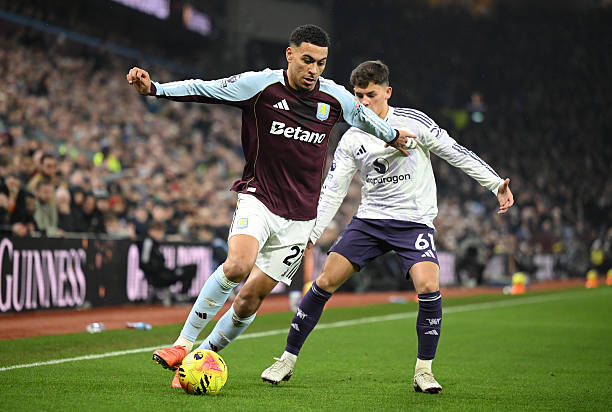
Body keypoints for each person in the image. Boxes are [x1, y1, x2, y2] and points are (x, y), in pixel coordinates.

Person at [126, 24, 417, 386]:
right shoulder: (260, 86)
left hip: (300, 217)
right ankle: (182, 344)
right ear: (290, 54)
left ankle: (202, 358)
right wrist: (155, 89)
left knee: (249, 299)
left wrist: (393, 135)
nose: (313, 70)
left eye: (321, 63)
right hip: (259, 198)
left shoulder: (334, 97)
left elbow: (365, 117)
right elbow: (207, 88)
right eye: (307, 60)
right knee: (238, 266)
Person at [260, 60, 514, 393]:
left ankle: (424, 371)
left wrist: (494, 184)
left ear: (387, 92)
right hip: (370, 222)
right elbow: (333, 189)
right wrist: (313, 232)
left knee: (428, 285)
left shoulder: (414, 122)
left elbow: (455, 152)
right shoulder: (352, 137)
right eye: (358, 95)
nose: (363, 102)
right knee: (324, 281)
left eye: (371, 95)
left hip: (412, 223)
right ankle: (286, 359)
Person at [139, 221, 196, 306]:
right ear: (152, 231)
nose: (162, 235)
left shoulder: (154, 243)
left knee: (191, 268)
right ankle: (181, 296)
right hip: (158, 276)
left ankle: (182, 295)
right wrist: (156, 272)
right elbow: (144, 262)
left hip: (163, 272)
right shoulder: (148, 242)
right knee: (189, 270)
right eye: (160, 232)